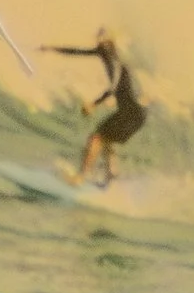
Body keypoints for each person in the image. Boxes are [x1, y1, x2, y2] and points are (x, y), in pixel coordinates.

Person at [52, 30, 147, 185]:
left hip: (132, 113)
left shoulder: (116, 63)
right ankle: (112, 174)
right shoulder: (105, 53)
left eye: (102, 40)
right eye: (98, 38)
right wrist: (52, 49)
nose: (98, 43)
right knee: (106, 138)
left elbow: (113, 88)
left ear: (109, 44)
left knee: (96, 138)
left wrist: (93, 104)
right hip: (134, 113)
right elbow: (78, 51)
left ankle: (81, 177)